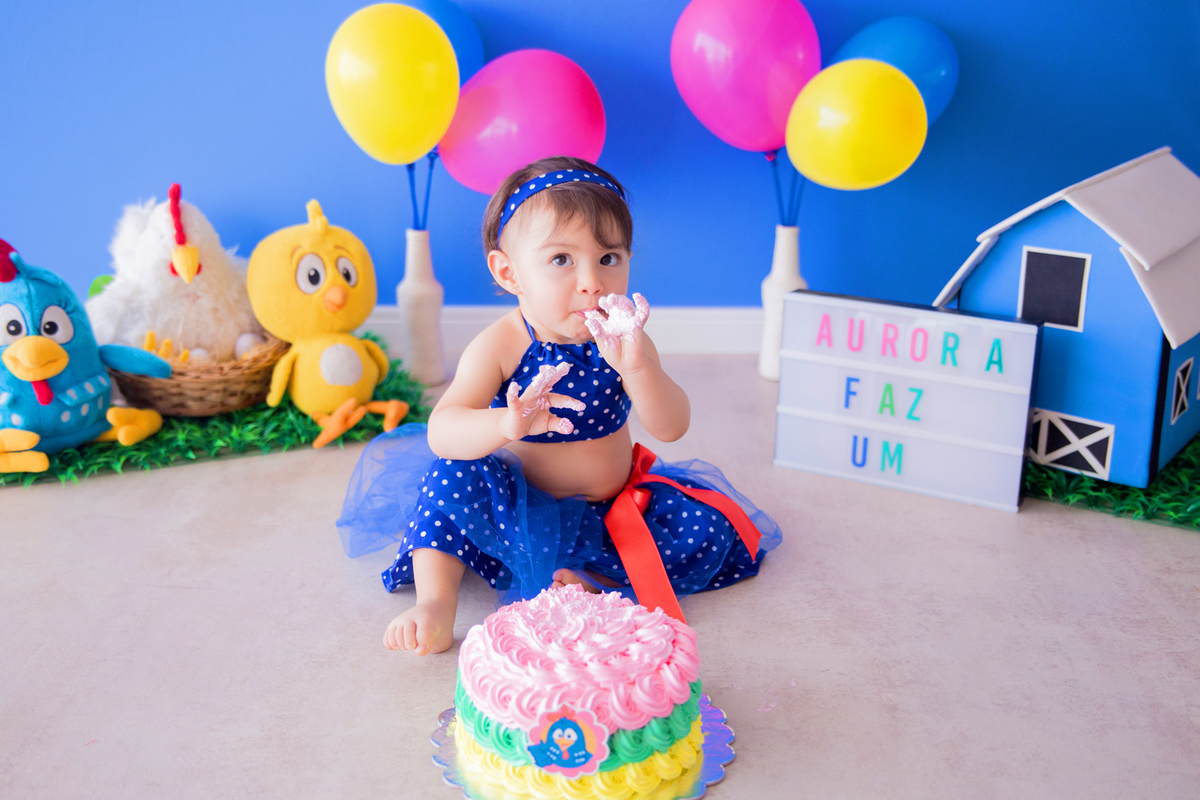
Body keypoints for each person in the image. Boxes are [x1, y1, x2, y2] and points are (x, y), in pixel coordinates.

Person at [337, 156, 781, 655]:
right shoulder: (500, 345)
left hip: (610, 507)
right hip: (516, 507)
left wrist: (638, 369)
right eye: (561, 260)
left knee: (706, 532)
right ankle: (437, 605)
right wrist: (506, 422)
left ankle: (585, 579)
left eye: (608, 258)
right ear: (509, 273)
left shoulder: (624, 340)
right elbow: (444, 429)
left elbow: (671, 426)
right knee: (448, 477)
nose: (591, 281)